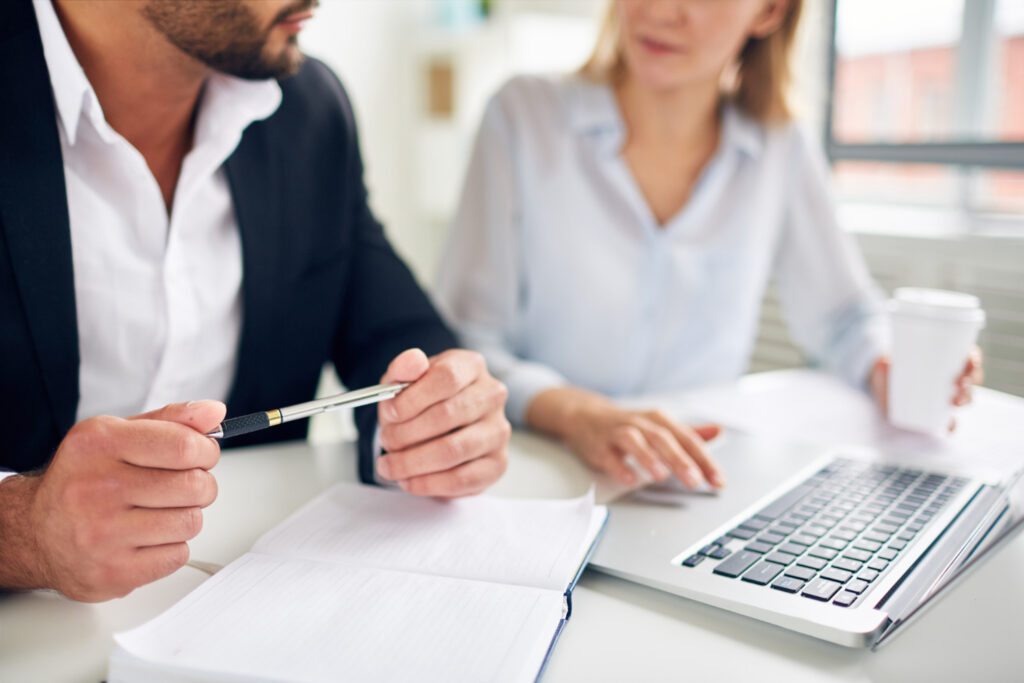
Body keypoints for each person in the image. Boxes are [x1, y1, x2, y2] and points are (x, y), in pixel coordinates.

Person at [0, 0, 511, 602]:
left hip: (258, 616)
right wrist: (24, 534)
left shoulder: (307, 108)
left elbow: (398, 336)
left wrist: (437, 426)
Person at [436, 0, 982, 490]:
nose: (661, 11)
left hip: (694, 478)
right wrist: (581, 415)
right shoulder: (523, 116)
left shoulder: (781, 147)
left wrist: (889, 367)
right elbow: (469, 337)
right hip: (539, 469)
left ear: (770, 11)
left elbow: (844, 319)